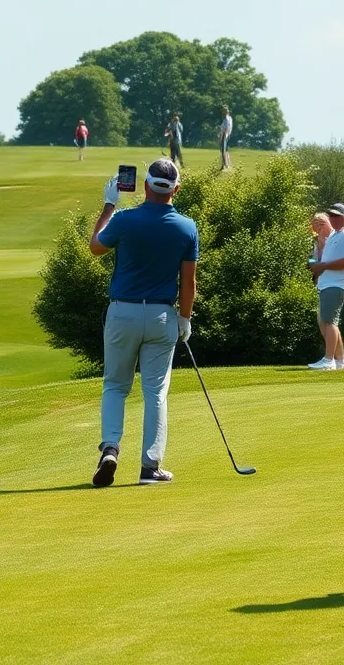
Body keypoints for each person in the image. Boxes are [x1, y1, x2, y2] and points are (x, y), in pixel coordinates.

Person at [88, 158, 198, 487]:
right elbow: (188, 283)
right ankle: (150, 467)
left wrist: (109, 205)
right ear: (175, 190)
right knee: (155, 392)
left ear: (146, 185)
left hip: (123, 312)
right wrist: (185, 318)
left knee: (116, 386)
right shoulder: (186, 226)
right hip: (163, 315)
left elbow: (95, 247)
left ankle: (110, 447)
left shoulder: (124, 219)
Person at [309, 203, 344, 371]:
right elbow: (321, 259)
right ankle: (340, 360)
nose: (333, 219)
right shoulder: (336, 235)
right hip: (328, 283)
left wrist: (323, 266)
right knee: (328, 322)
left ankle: (329, 360)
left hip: (336, 283)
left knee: (329, 321)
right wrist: (319, 265)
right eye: (331, 216)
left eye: (337, 216)